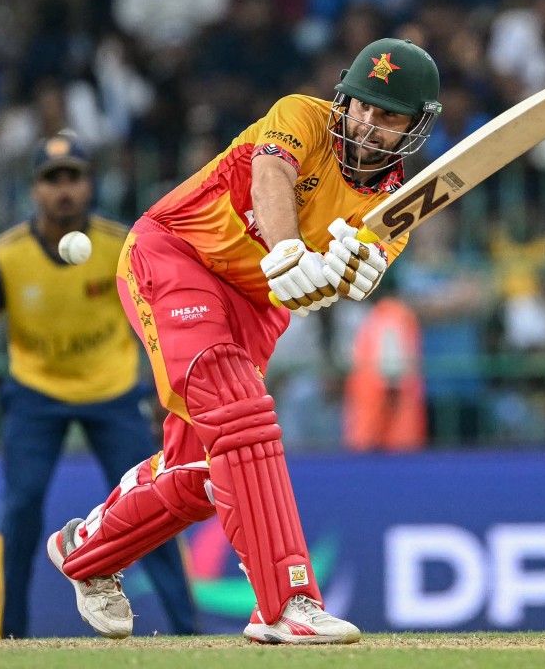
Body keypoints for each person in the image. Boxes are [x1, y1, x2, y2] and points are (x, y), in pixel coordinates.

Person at [45, 38, 442, 643]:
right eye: (361, 105)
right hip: (176, 255)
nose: (366, 123)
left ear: (413, 126)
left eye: (387, 116)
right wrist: (289, 251)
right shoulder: (301, 116)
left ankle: (86, 551)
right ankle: (286, 603)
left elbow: (354, 269)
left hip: (256, 305)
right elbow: (271, 175)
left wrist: (351, 274)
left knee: (203, 471)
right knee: (241, 414)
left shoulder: (394, 203)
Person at [0, 132, 197, 639]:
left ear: (90, 184)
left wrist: (164, 394)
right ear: (35, 189)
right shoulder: (7, 255)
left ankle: (187, 631)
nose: (63, 189)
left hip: (113, 393)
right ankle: (7, 636)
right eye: (52, 179)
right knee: (20, 510)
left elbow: (156, 318)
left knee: (157, 505)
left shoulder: (120, 245)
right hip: (36, 394)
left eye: (73, 177)